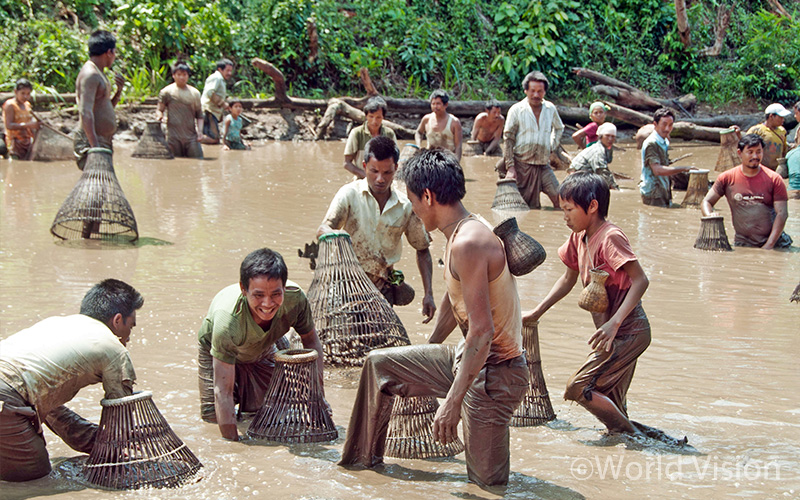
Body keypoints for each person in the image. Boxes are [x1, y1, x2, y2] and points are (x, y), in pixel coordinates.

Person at [339, 148, 529, 487]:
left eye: (412, 201)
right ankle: (359, 470)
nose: (411, 209)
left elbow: (482, 332)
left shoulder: (469, 242)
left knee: (488, 486)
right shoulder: (461, 230)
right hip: (469, 360)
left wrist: (452, 402)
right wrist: (424, 353)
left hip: (496, 375)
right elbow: (455, 296)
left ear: (428, 196)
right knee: (380, 365)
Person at [523, 171, 652, 436]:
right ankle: (637, 443)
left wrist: (614, 324)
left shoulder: (609, 237)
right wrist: (538, 311)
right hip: (609, 334)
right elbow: (568, 277)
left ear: (592, 206)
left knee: (578, 388)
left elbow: (641, 280)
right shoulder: (579, 237)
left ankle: (638, 439)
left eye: (569, 209)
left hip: (628, 331)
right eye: (563, 210)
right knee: (610, 400)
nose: (565, 216)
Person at [0, 279, 143, 482]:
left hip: (8, 394)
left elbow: (49, 409)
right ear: (118, 320)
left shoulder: (55, 324)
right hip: (7, 397)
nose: (129, 336)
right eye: (131, 326)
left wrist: (93, 440)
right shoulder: (113, 348)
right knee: (36, 480)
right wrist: (115, 448)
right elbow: (120, 416)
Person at [197, 248, 325, 441]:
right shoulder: (228, 322)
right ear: (243, 289)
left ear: (284, 287)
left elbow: (312, 342)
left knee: (266, 412)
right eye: (258, 295)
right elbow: (222, 391)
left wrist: (319, 398)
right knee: (213, 417)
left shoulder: (296, 299)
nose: (267, 303)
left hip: (264, 346)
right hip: (219, 348)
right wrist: (233, 448)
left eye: (276, 294)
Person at [318, 136, 435, 317]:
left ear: (396, 169)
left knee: (378, 340)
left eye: (387, 172)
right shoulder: (349, 194)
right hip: (346, 283)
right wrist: (339, 238)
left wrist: (429, 294)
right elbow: (323, 229)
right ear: (364, 167)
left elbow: (422, 249)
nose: (380, 179)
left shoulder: (405, 206)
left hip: (382, 288)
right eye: (374, 171)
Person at [701, 134, 792, 249]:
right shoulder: (727, 178)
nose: (755, 156)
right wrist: (710, 215)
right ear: (739, 153)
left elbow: (782, 214)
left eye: (759, 151)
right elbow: (706, 202)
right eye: (750, 152)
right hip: (742, 243)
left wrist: (769, 245)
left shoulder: (774, 179)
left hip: (775, 243)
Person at [500, 71, 564, 209]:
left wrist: (552, 145)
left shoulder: (550, 108)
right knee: (523, 207)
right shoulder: (516, 110)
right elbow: (508, 139)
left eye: (540, 91)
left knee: (560, 200)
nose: (536, 95)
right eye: (532, 91)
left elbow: (559, 128)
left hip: (543, 164)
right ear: (526, 91)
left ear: (545, 92)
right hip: (522, 165)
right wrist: (510, 167)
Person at [74, 30, 125, 169]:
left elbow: (105, 105)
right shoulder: (90, 75)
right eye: (115, 53)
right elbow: (85, 112)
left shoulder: (100, 73)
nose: (115, 57)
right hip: (92, 142)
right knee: (95, 185)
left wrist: (118, 90)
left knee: (101, 187)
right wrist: (95, 147)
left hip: (102, 141)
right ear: (109, 52)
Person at [638, 108, 692, 207]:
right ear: (655, 124)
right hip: (654, 191)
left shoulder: (663, 141)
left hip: (663, 188)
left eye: (670, 125)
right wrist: (683, 168)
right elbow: (657, 170)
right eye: (664, 124)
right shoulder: (652, 143)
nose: (667, 129)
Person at [155, 61, 204, 158]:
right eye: (179, 74)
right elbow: (159, 109)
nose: (182, 77)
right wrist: (160, 117)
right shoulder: (166, 92)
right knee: (174, 162)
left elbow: (199, 115)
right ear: (173, 75)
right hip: (173, 137)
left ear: (188, 76)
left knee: (198, 160)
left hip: (191, 136)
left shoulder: (195, 93)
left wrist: (200, 132)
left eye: (184, 75)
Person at [343, 96, 396, 178]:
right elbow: (347, 163)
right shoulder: (357, 133)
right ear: (366, 116)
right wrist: (366, 176)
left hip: (384, 182)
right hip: (361, 181)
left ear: (383, 117)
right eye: (371, 117)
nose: (374, 121)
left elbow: (395, 161)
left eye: (378, 117)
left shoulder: (389, 134)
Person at [415, 90, 463, 161]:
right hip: (430, 158)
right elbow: (418, 132)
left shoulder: (454, 122)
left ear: (446, 105)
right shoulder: (426, 119)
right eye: (433, 103)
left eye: (438, 104)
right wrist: (418, 146)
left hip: (448, 159)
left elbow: (458, 145)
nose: (435, 106)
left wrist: (456, 162)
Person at [570, 122, 619, 189]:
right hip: (578, 178)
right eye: (607, 136)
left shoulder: (607, 148)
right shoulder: (598, 150)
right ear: (601, 137)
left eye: (612, 136)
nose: (610, 139)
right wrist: (614, 187)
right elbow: (602, 171)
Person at [2, 78, 40, 160]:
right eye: (22, 93)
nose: (25, 96)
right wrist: (28, 125)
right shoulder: (10, 105)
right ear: (16, 92)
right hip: (14, 143)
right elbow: (9, 125)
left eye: (28, 94)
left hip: (27, 141)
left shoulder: (27, 105)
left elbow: (30, 121)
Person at [746, 103, 790, 171]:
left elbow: (784, 150)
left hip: (777, 170)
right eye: (780, 117)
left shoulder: (782, 131)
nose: (783, 120)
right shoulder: (757, 130)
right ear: (771, 116)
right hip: (761, 169)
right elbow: (745, 145)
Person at [200, 59, 234, 145]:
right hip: (209, 111)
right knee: (214, 139)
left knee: (212, 137)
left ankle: (195, 139)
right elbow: (210, 92)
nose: (229, 73)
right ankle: (192, 139)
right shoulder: (216, 77)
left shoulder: (220, 79)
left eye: (231, 71)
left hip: (212, 112)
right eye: (227, 70)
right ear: (220, 69)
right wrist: (222, 103)